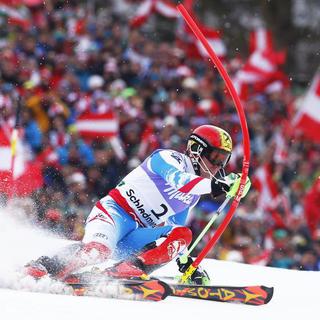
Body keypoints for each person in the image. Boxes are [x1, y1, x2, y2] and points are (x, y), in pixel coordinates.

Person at [25, 125, 251, 284]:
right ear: (196, 150)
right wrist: (218, 186)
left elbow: (174, 229)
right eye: (215, 158)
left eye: (224, 160)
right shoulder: (166, 158)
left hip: (136, 233)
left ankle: (131, 268)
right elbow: (181, 182)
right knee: (97, 253)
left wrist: (186, 264)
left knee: (184, 233)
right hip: (114, 213)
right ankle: (43, 266)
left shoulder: (194, 194)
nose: (218, 166)